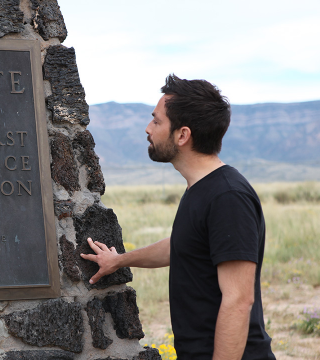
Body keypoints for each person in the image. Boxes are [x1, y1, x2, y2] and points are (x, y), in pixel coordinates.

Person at [80, 74, 276, 360]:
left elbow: (238, 301)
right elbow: (182, 245)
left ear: (182, 135)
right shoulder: (201, 189)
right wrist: (119, 261)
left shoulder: (228, 197)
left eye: (157, 121)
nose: (148, 128)